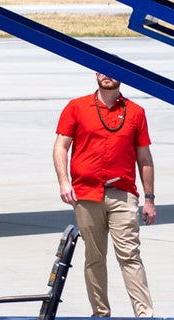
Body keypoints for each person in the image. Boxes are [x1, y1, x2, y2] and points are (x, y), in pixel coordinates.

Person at [54, 72, 155, 317]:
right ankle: (100, 313)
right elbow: (61, 146)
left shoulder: (135, 112)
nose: (107, 75)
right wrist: (64, 182)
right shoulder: (77, 107)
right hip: (86, 193)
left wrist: (149, 199)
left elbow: (144, 158)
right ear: (95, 75)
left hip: (123, 194)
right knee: (94, 256)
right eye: (101, 70)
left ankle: (144, 314)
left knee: (129, 254)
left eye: (112, 71)